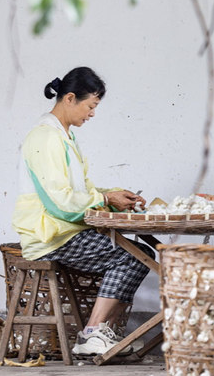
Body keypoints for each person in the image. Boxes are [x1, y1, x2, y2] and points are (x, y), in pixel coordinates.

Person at [12, 67, 152, 356]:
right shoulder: (45, 137)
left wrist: (112, 197)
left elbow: (82, 190)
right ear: (70, 98)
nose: (92, 113)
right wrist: (104, 197)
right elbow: (59, 202)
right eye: (91, 106)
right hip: (50, 236)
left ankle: (103, 332)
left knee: (143, 255)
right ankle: (92, 333)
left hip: (65, 231)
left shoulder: (65, 137)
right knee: (132, 257)